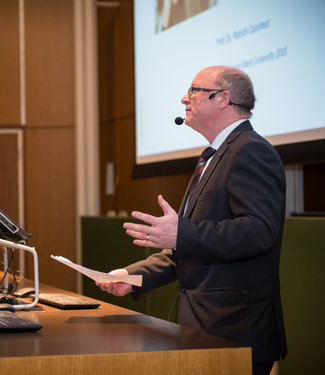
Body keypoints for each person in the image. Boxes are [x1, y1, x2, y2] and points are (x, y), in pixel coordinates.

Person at [97, 65, 287, 375]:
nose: (184, 99)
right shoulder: (212, 155)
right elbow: (190, 248)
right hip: (206, 328)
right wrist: (128, 277)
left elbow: (259, 231)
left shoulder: (250, 151)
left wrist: (181, 233)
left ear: (222, 99)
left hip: (236, 331)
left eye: (193, 90)